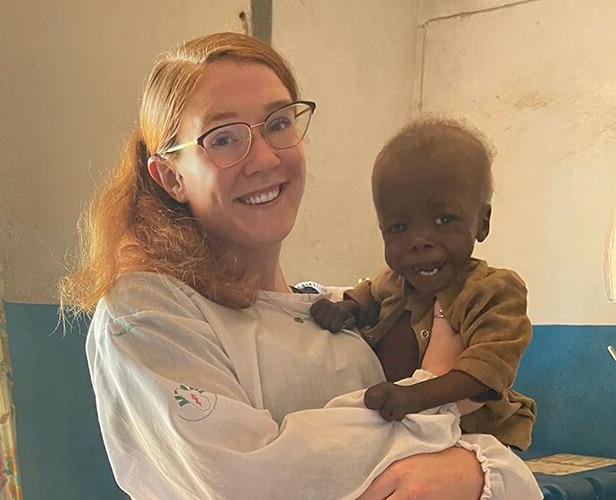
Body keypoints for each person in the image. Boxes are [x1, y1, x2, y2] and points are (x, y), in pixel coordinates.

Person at [62, 32, 542, 498]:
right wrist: (433, 389)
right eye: (223, 138)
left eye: (277, 124)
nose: (265, 158)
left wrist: (472, 473)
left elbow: (509, 475)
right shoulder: (150, 312)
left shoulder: (339, 313)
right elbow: (245, 481)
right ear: (171, 176)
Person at [310, 121, 536, 451]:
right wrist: (346, 308)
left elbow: (488, 369)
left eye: (444, 220)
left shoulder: (493, 291)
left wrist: (415, 397)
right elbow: (369, 295)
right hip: (404, 428)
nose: (419, 241)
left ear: (482, 222)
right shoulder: (395, 280)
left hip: (478, 437)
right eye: (399, 227)